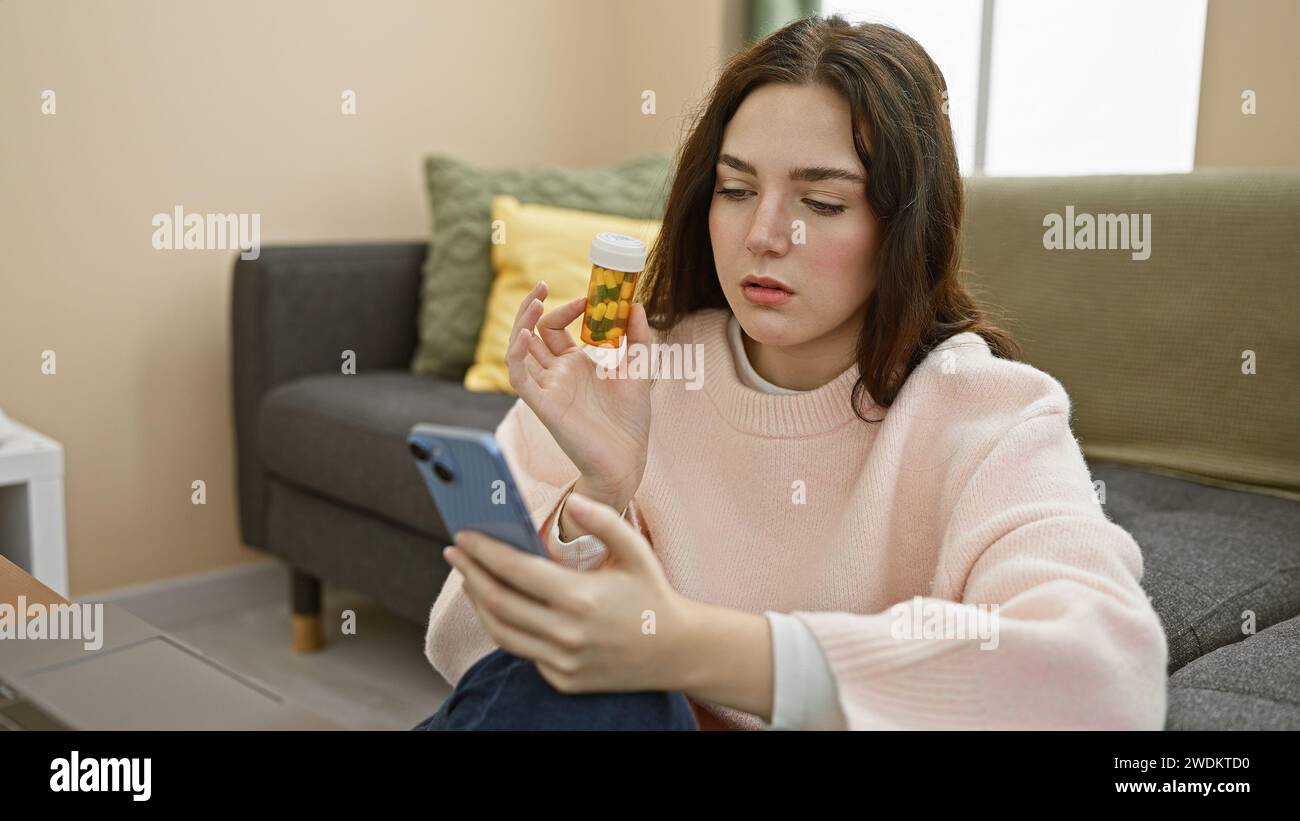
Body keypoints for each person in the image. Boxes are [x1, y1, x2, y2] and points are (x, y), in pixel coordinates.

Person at [414, 14, 1169, 732]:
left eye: (821, 201)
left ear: (904, 224)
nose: (765, 234)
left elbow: (1108, 681)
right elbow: (467, 651)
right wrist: (599, 496)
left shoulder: (989, 415)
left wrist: (691, 646)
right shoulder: (632, 368)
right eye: (736, 189)